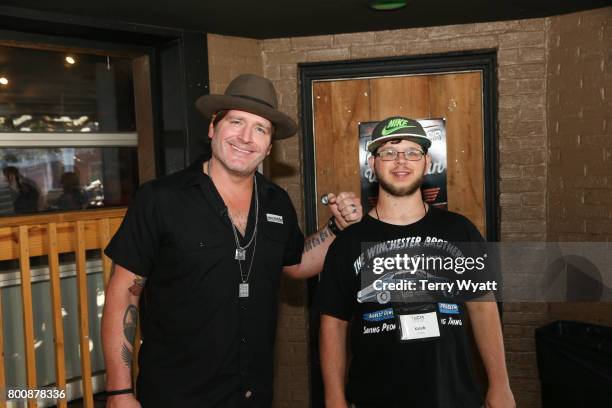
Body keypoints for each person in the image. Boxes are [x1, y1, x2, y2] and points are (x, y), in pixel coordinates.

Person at [101, 74, 363, 408]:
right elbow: (123, 293)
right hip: (175, 395)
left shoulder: (276, 201)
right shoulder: (160, 199)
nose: (246, 137)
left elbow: (296, 264)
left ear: (269, 146)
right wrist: (119, 391)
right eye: (236, 121)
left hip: (252, 394)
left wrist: (336, 229)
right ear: (213, 127)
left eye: (260, 129)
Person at [318, 116, 515, 408]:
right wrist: (334, 397)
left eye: (412, 152)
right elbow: (333, 323)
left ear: (426, 164)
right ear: (372, 165)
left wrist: (500, 385)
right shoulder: (348, 243)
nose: (401, 161)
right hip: (374, 397)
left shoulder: (460, 231)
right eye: (389, 153)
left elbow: (483, 307)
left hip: (454, 396)